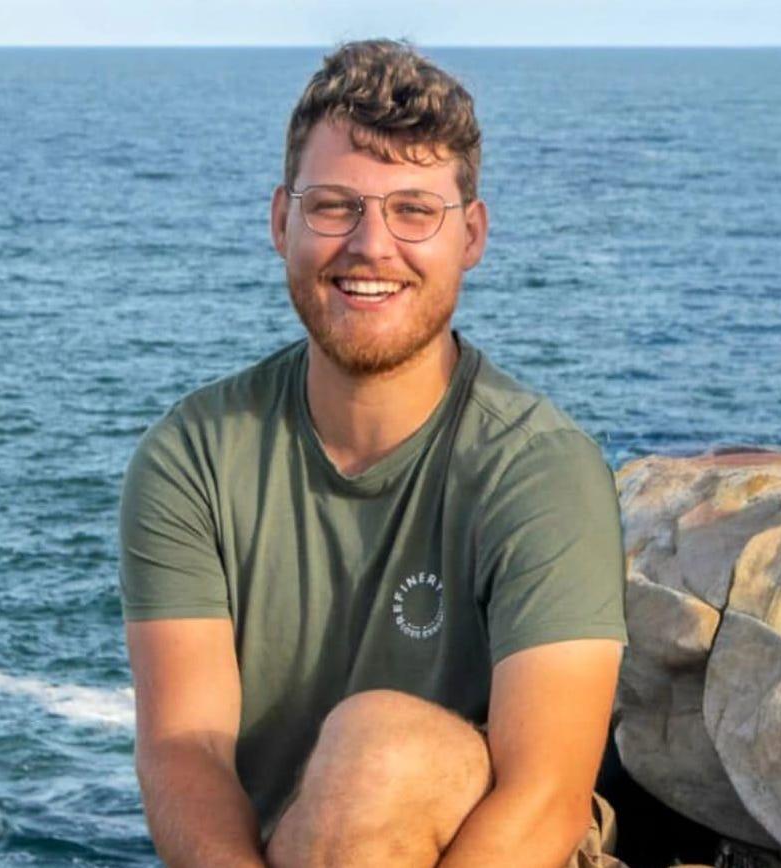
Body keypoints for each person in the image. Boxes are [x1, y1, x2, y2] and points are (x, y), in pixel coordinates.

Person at [119, 39, 628, 868]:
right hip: (283, 853)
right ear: (281, 221)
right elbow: (185, 748)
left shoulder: (542, 470)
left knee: (378, 754)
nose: (372, 246)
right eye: (333, 206)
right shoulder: (193, 458)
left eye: (414, 211)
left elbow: (545, 799)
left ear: (471, 235)